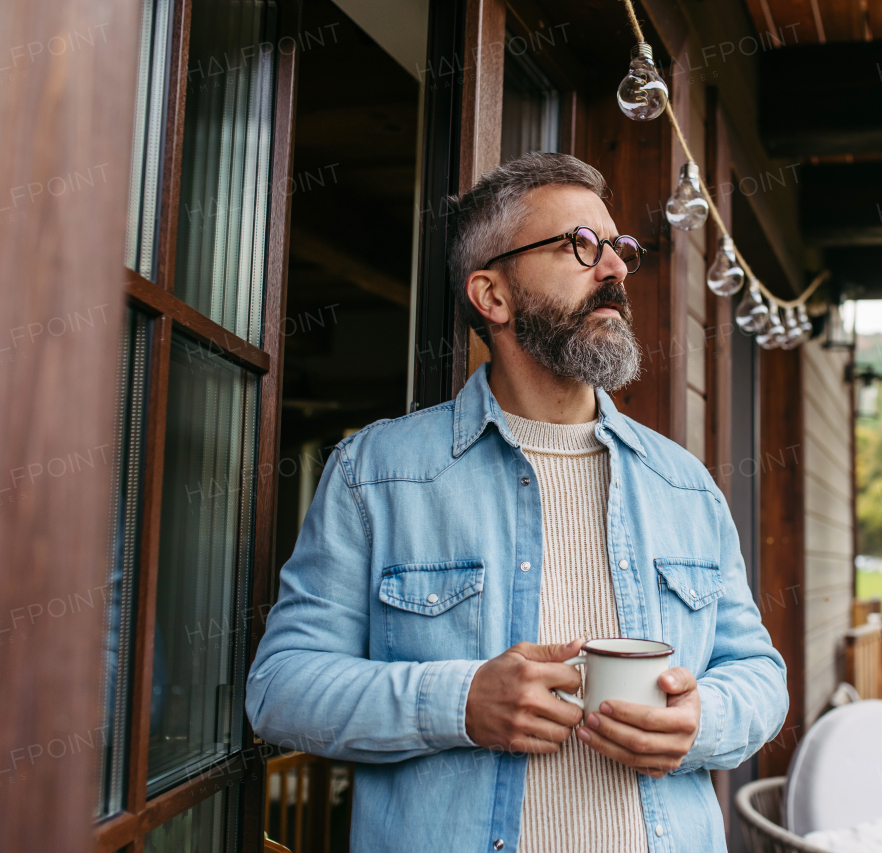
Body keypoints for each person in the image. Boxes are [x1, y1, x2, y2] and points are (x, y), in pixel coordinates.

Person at [247, 151, 788, 853]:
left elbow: (759, 674)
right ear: (492, 296)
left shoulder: (686, 485)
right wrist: (461, 702)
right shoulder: (374, 475)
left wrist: (703, 720)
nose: (617, 270)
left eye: (619, 249)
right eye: (580, 246)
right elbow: (281, 689)